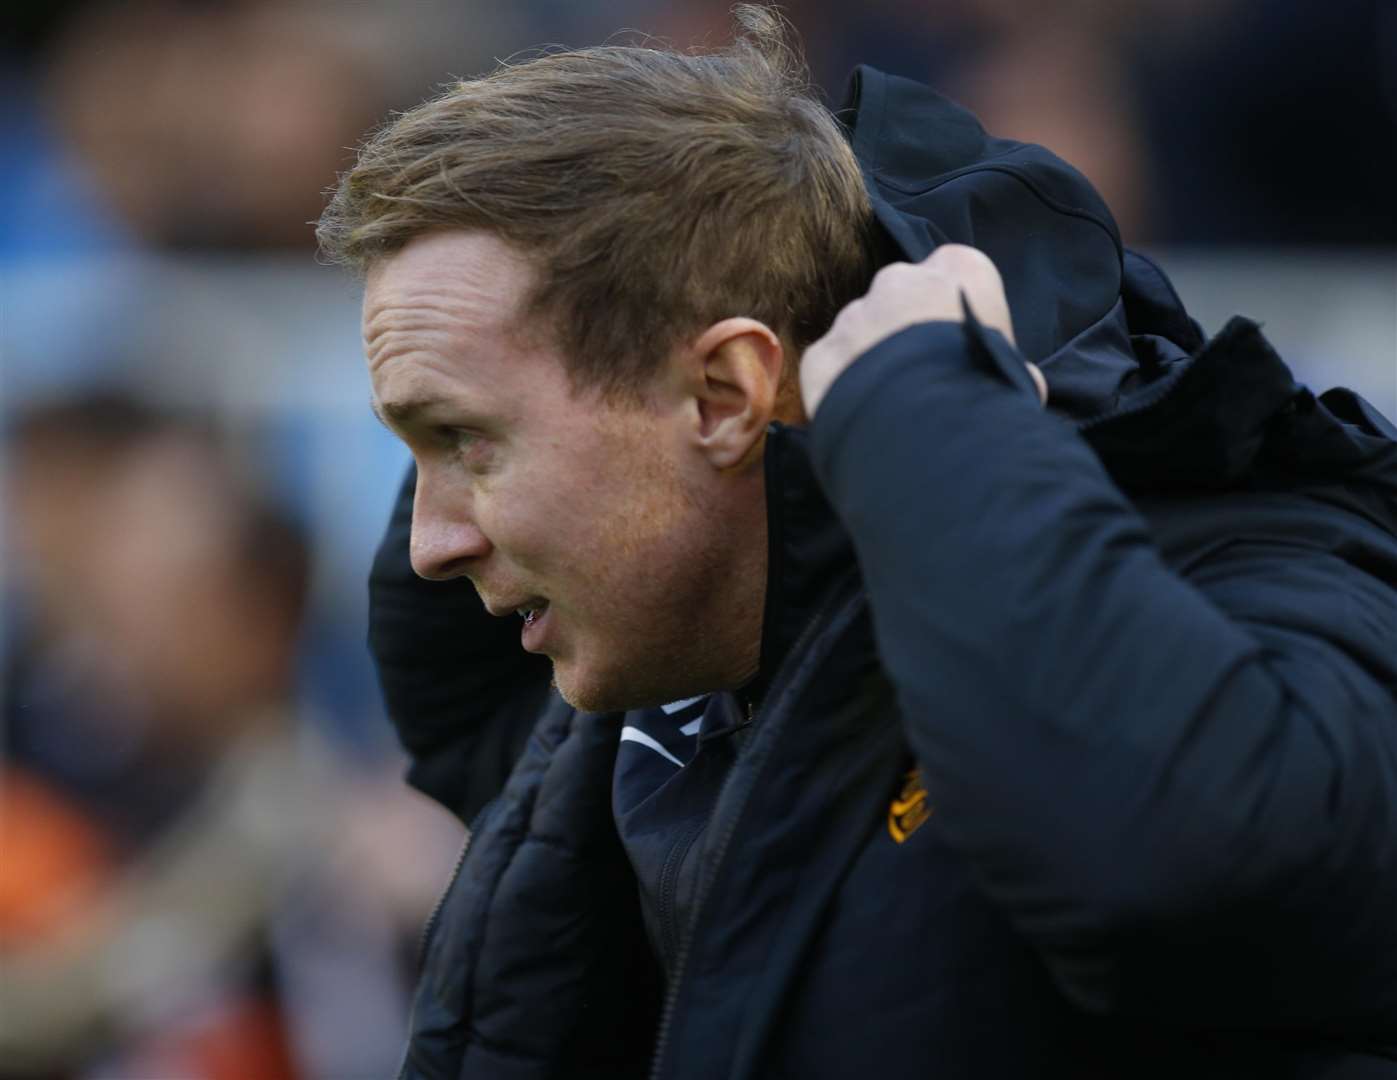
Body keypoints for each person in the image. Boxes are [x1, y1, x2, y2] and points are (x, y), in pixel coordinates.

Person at [317, 7, 1397, 1077]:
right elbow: (447, 690)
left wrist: (923, 411)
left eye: (464, 442)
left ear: (726, 394)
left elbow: (1213, 877)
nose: (427, 546)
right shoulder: (649, 670)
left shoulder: (1252, 556)